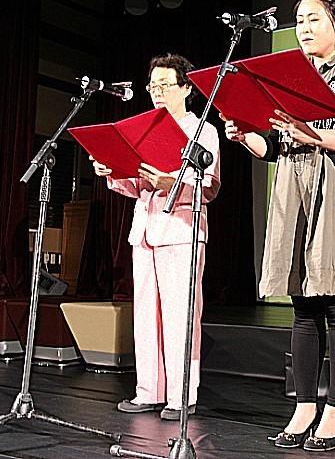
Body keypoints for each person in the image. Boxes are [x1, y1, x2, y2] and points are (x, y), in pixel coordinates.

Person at [223, 0, 335, 451]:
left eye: (314, 19)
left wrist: (314, 135)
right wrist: (246, 136)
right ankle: (304, 406)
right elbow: (277, 146)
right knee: (303, 304)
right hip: (295, 184)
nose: (304, 29)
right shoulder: (295, 77)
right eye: (299, 21)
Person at [91, 53, 220, 421]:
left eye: (165, 85)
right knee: (146, 316)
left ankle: (181, 396)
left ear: (186, 88)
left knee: (181, 317)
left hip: (181, 231)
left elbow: (209, 187)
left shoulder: (202, 130)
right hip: (145, 230)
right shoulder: (145, 128)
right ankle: (148, 390)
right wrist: (112, 171)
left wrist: (170, 183)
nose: (157, 92)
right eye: (152, 86)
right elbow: (136, 185)